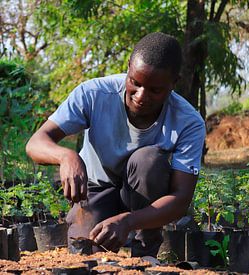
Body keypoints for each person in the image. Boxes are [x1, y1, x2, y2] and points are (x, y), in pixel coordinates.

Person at [26, 32, 205, 258]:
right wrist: (66, 157)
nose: (141, 96)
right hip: (96, 188)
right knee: (85, 257)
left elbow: (181, 199)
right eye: (135, 83)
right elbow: (36, 143)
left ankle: (144, 255)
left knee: (148, 161)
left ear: (173, 83)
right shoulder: (95, 94)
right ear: (128, 67)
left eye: (155, 90)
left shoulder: (188, 121)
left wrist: (129, 221)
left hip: (144, 201)